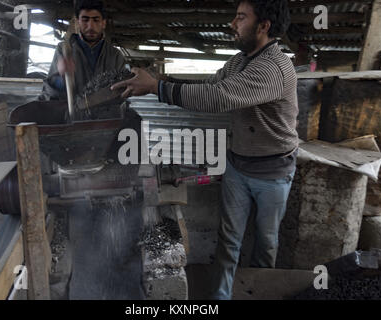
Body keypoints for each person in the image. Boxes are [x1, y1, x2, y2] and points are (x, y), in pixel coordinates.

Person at [111, 0, 298, 300]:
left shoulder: (274, 67)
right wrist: (159, 82)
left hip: (272, 172)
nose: (232, 24)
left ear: (264, 26)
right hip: (238, 165)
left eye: (240, 18)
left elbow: (217, 98)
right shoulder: (239, 62)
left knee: (266, 243)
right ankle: (220, 299)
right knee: (229, 242)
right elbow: (208, 86)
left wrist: (157, 88)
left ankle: (261, 292)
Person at [41, 0, 126, 100]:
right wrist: (61, 77)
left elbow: (122, 93)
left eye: (96, 20)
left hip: (107, 114)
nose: (90, 26)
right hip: (73, 114)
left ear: (103, 23)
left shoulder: (115, 55)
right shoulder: (64, 50)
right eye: (85, 20)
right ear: (77, 23)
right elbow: (49, 94)